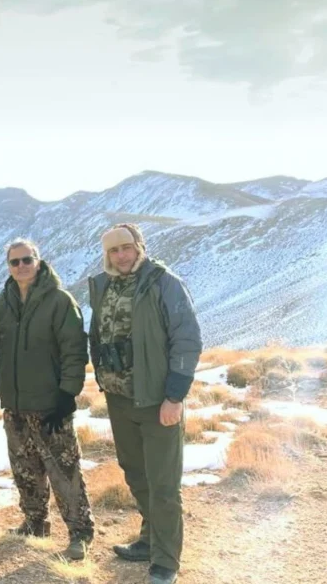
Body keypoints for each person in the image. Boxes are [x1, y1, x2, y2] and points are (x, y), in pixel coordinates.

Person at [88, 223, 202, 584]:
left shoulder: (163, 283)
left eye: (127, 248)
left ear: (139, 246)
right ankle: (150, 539)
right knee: (135, 472)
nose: (122, 256)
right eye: (114, 251)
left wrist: (174, 397)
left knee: (163, 483)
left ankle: (166, 560)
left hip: (156, 400)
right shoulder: (104, 286)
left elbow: (187, 340)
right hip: (121, 399)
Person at [0, 239, 95, 560]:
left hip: (50, 404)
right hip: (15, 405)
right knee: (25, 469)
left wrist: (67, 396)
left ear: (38, 261)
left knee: (64, 469)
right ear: (8, 266)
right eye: (14, 262)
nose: (21, 267)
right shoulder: (4, 303)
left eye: (26, 260)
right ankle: (35, 523)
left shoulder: (59, 301)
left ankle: (80, 532)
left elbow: (75, 350)